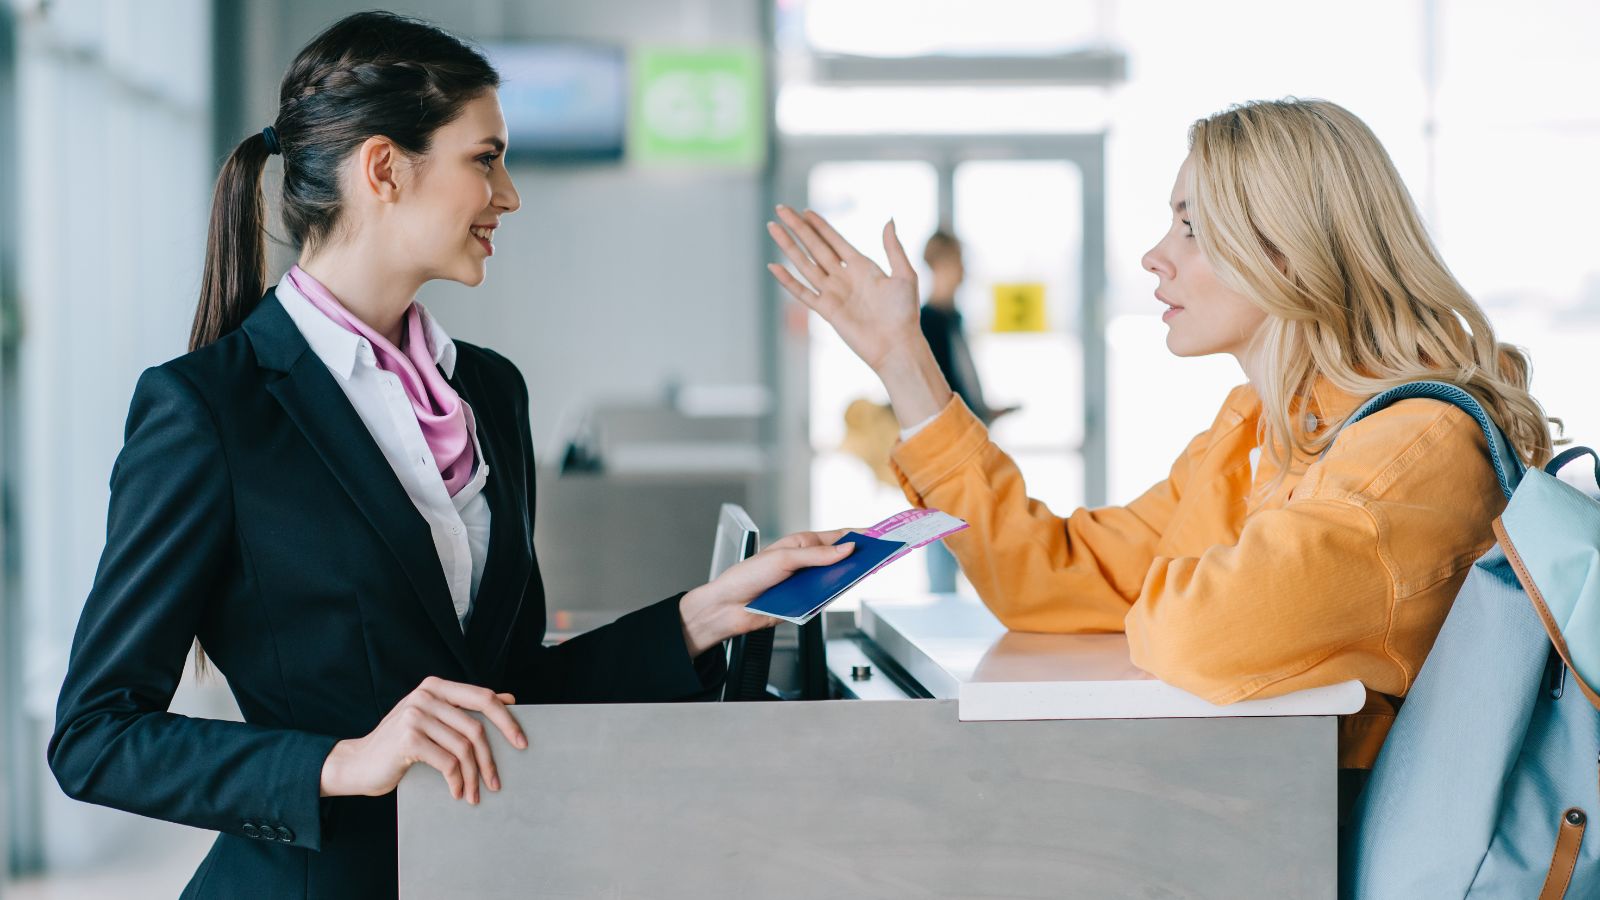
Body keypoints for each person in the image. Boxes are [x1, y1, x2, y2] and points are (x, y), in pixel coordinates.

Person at [48, 13, 852, 899]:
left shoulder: (491, 393)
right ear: (385, 169)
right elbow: (96, 736)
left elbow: (505, 688)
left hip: (483, 873)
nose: (509, 195)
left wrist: (704, 613)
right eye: (486, 159)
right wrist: (345, 760)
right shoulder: (210, 409)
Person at [765, 98, 1555, 812]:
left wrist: (1169, 586)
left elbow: (1199, 634)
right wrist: (902, 358)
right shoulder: (1256, 431)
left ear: (1288, 251)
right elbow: (1051, 576)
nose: (1154, 256)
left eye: (1191, 228)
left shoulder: (1415, 452)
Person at [915, 229, 1017, 592]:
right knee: (945, 536)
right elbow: (933, 391)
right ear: (940, 264)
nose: (964, 270)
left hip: (967, 438)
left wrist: (984, 410)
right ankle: (942, 604)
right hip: (944, 448)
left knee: (966, 534)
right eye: (958, 261)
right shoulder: (927, 322)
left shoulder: (953, 318)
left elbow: (959, 382)